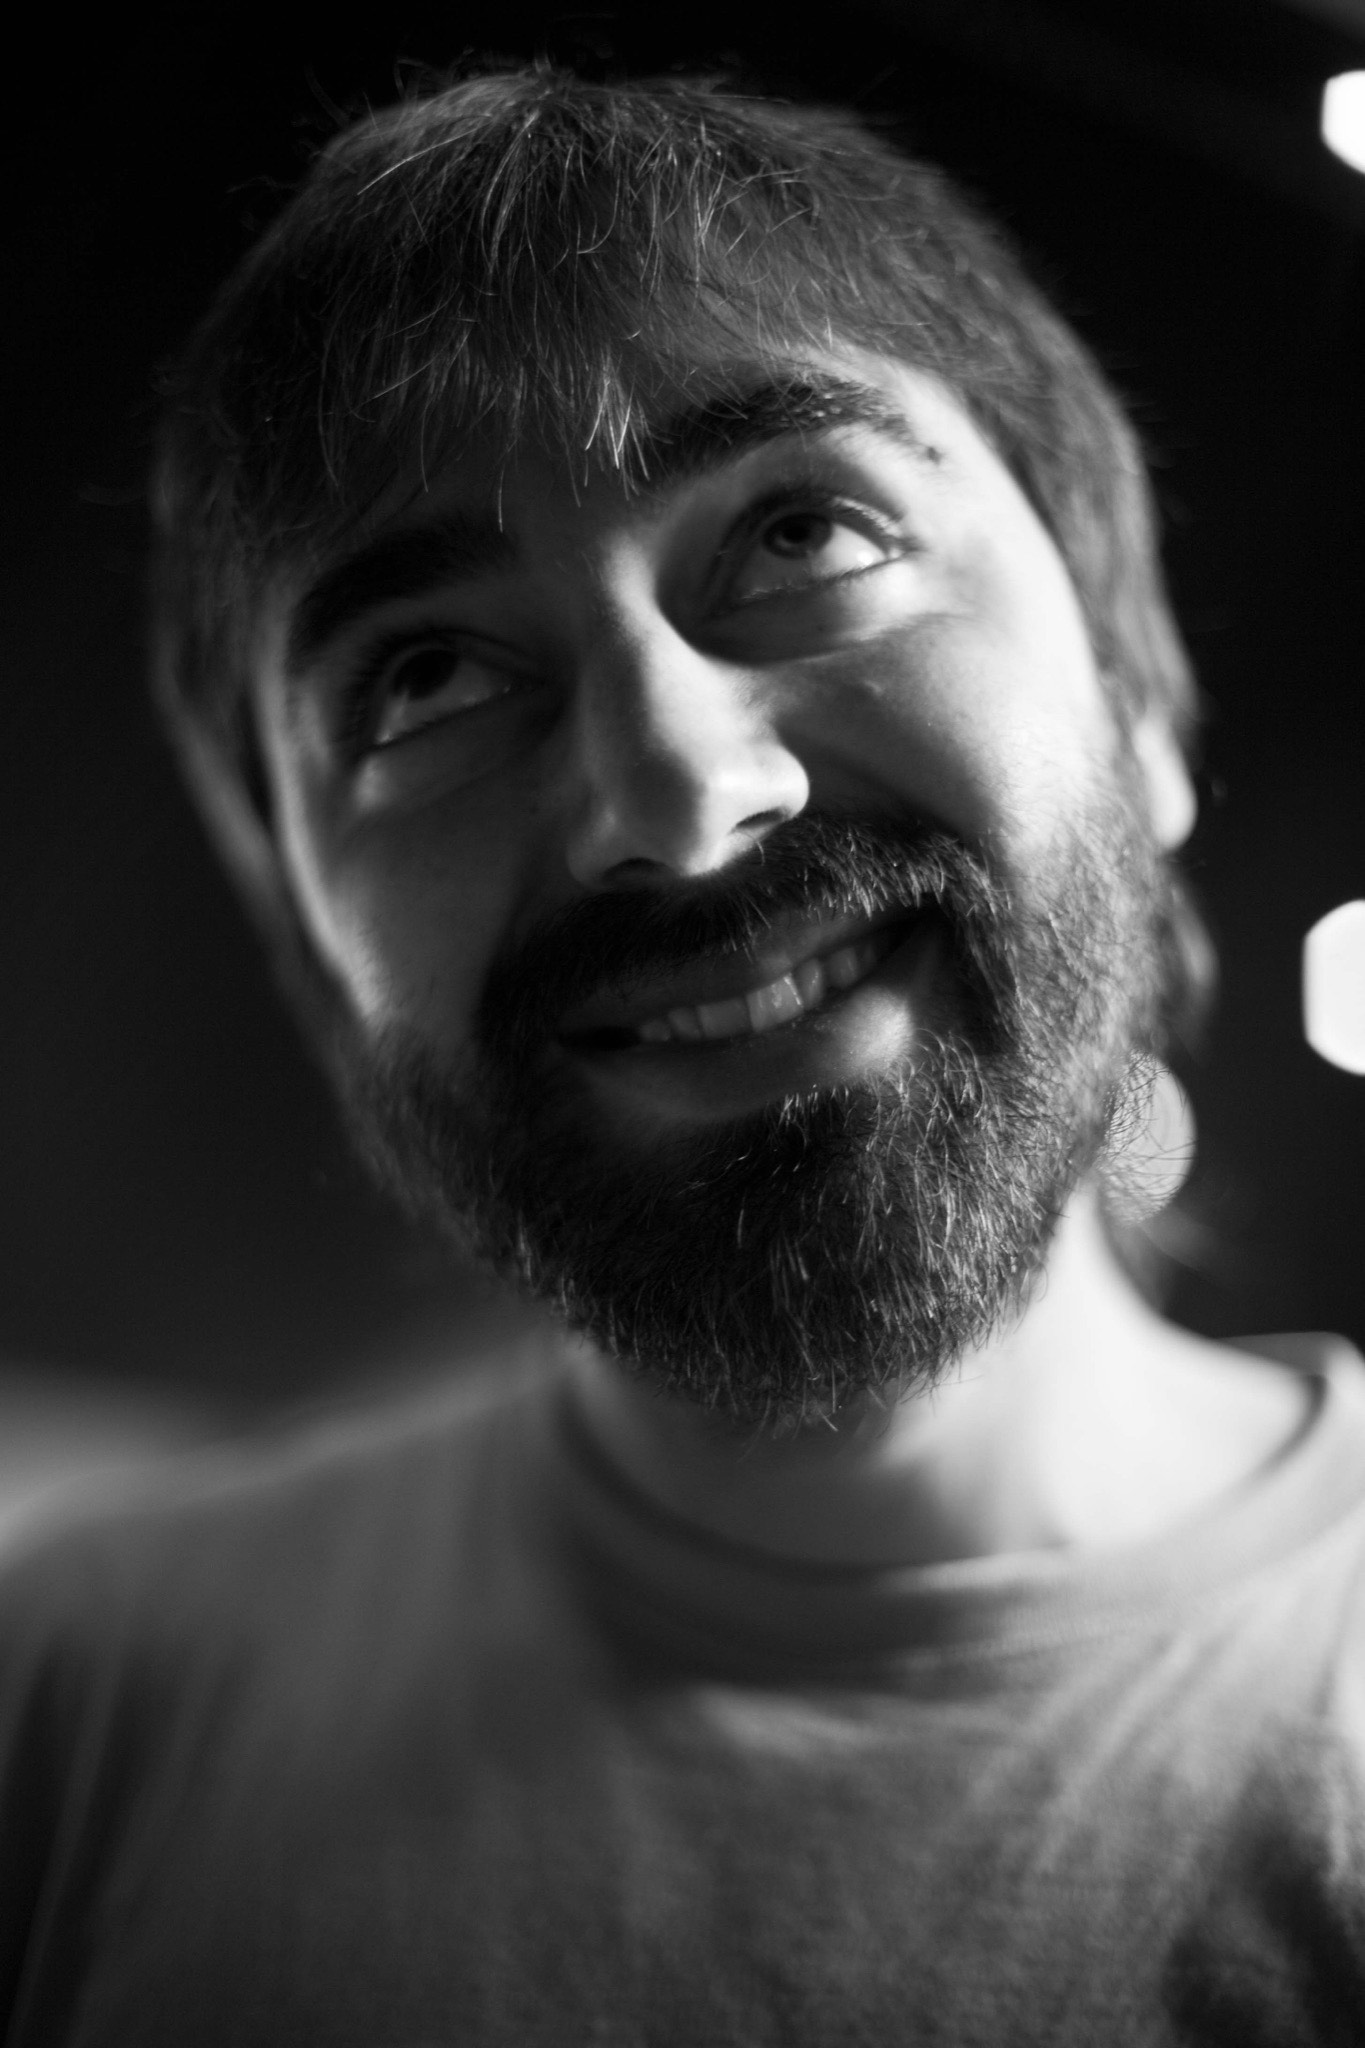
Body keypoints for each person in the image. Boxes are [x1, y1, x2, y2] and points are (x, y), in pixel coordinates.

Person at [1, 64, 1362, 2045]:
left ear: (1134, 702)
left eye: (804, 531)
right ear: (315, 955)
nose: (675, 797)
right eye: (424, 679)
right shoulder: (68, 1712)